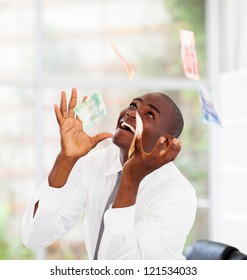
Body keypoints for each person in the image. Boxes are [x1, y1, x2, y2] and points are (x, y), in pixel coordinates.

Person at [22, 88, 197, 260]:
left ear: (165, 143)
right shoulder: (95, 163)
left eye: (150, 114)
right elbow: (34, 237)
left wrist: (130, 179)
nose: (131, 113)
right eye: (133, 105)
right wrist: (65, 159)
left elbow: (121, 267)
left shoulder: (178, 194)